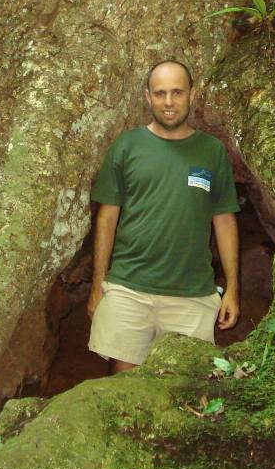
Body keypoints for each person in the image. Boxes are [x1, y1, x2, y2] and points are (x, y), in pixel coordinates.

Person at [87, 60, 241, 373]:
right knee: (123, 389)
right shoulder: (127, 146)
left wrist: (233, 289)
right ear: (148, 97)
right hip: (129, 287)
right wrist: (96, 286)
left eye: (176, 92)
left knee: (180, 391)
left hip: (192, 293)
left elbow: (224, 220)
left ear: (192, 94)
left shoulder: (211, 152)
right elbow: (107, 218)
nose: (168, 102)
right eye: (160, 94)